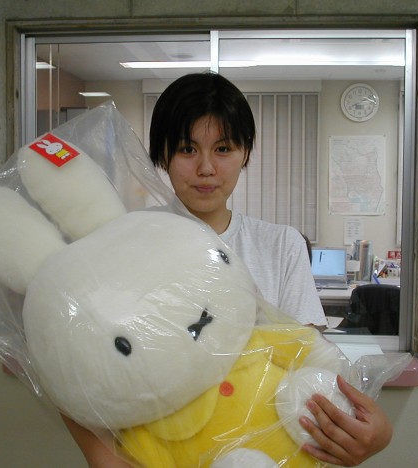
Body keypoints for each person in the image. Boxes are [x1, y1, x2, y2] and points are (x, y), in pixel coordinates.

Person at [64, 72, 393, 467]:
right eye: (187, 149)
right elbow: (78, 364)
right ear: (163, 154)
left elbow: (308, 366)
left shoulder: (280, 245)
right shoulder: (127, 243)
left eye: (223, 149)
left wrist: (374, 433)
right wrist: (102, 456)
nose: (206, 168)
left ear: (245, 153)